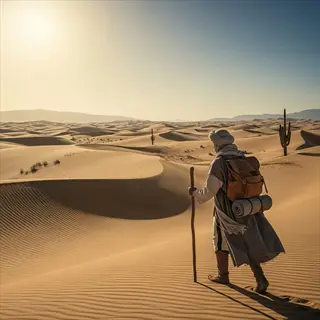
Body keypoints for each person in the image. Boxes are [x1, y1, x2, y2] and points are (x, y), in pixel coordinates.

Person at [189, 129, 285, 293]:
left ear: (217, 144)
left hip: (226, 213)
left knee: (219, 241)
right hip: (246, 208)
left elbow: (211, 191)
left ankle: (223, 275)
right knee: (247, 243)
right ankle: (260, 278)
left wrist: (195, 193)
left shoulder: (219, 163)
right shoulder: (241, 157)